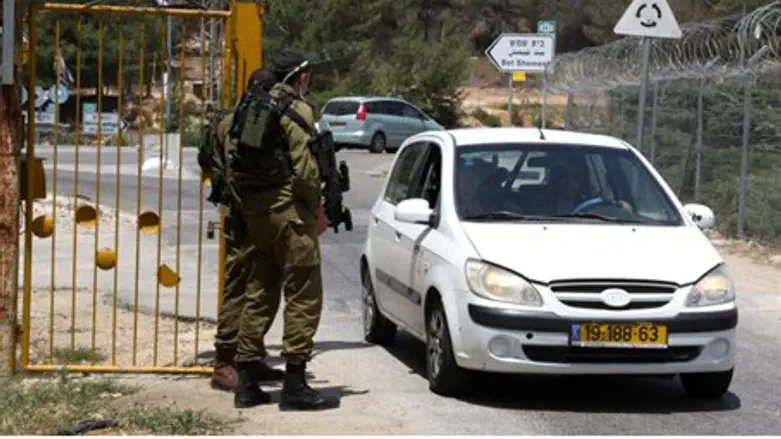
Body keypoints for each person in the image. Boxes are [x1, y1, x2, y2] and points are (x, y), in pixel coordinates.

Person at [227, 50, 336, 411]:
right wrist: (314, 208)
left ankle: (245, 383)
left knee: (259, 291)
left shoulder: (250, 107)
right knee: (304, 293)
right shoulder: (296, 112)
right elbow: (305, 173)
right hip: (289, 215)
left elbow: (231, 165)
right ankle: (295, 384)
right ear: (300, 78)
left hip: (256, 215)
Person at [210, 67, 285, 391]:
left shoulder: (249, 119)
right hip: (242, 216)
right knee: (239, 285)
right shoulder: (238, 123)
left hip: (256, 214)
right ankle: (224, 360)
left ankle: (250, 356)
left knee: (265, 285)